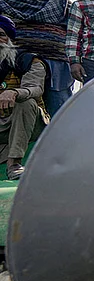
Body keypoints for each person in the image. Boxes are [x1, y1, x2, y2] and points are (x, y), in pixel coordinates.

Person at [0, 0, 73, 116]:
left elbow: (80, 28)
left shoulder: (62, 3)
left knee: (60, 114)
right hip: (16, 63)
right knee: (16, 109)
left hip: (57, 66)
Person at [0, 16, 48, 180]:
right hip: (1, 124)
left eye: (1, 34)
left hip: (28, 123)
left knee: (26, 102)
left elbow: (35, 88)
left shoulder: (29, 60)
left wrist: (14, 93)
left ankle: (14, 164)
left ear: (10, 39)